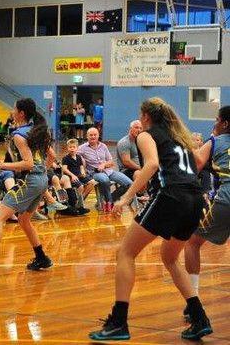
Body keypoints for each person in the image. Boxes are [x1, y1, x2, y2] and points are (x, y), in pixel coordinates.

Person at [89, 97, 212, 341]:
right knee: (169, 257)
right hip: (195, 199)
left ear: (145, 117)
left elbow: (153, 164)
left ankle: (118, 322)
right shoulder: (181, 138)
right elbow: (198, 162)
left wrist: (125, 197)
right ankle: (199, 318)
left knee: (125, 253)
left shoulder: (146, 134)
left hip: (171, 196)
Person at [0, 98, 54, 277]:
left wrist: (2, 165)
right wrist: (42, 171)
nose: (12, 112)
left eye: (14, 109)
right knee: (24, 220)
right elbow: (51, 156)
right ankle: (42, 257)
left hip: (32, 180)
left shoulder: (20, 135)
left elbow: (28, 164)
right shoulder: (39, 130)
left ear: (21, 113)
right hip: (42, 179)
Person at [183, 106, 230, 321]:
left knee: (192, 243)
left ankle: (194, 301)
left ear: (225, 124)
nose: (215, 122)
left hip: (225, 200)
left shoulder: (215, 141)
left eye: (217, 119)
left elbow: (196, 164)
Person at [78, 127, 133, 212]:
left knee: (129, 184)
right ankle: (109, 203)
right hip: (94, 173)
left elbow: (111, 162)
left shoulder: (103, 146)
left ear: (98, 135)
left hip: (109, 171)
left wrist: (104, 164)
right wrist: (82, 164)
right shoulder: (82, 148)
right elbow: (73, 157)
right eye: (91, 135)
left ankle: (108, 199)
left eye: (95, 135)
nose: (93, 137)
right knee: (104, 180)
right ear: (87, 136)